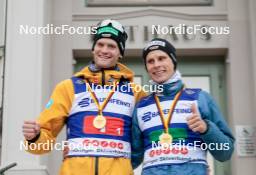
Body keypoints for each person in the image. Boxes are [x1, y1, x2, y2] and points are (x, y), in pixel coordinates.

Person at [22, 19, 146, 175]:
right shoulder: (68, 87)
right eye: (100, 44)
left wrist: (125, 166)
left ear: (120, 53)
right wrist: (34, 137)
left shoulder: (136, 92)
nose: (104, 50)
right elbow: (43, 143)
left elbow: (150, 136)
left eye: (112, 46)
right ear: (93, 49)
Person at [131, 38, 235, 175]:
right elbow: (132, 158)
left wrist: (207, 129)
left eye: (162, 58)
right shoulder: (141, 107)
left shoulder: (200, 98)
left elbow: (225, 152)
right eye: (150, 61)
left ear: (173, 61)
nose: (156, 65)